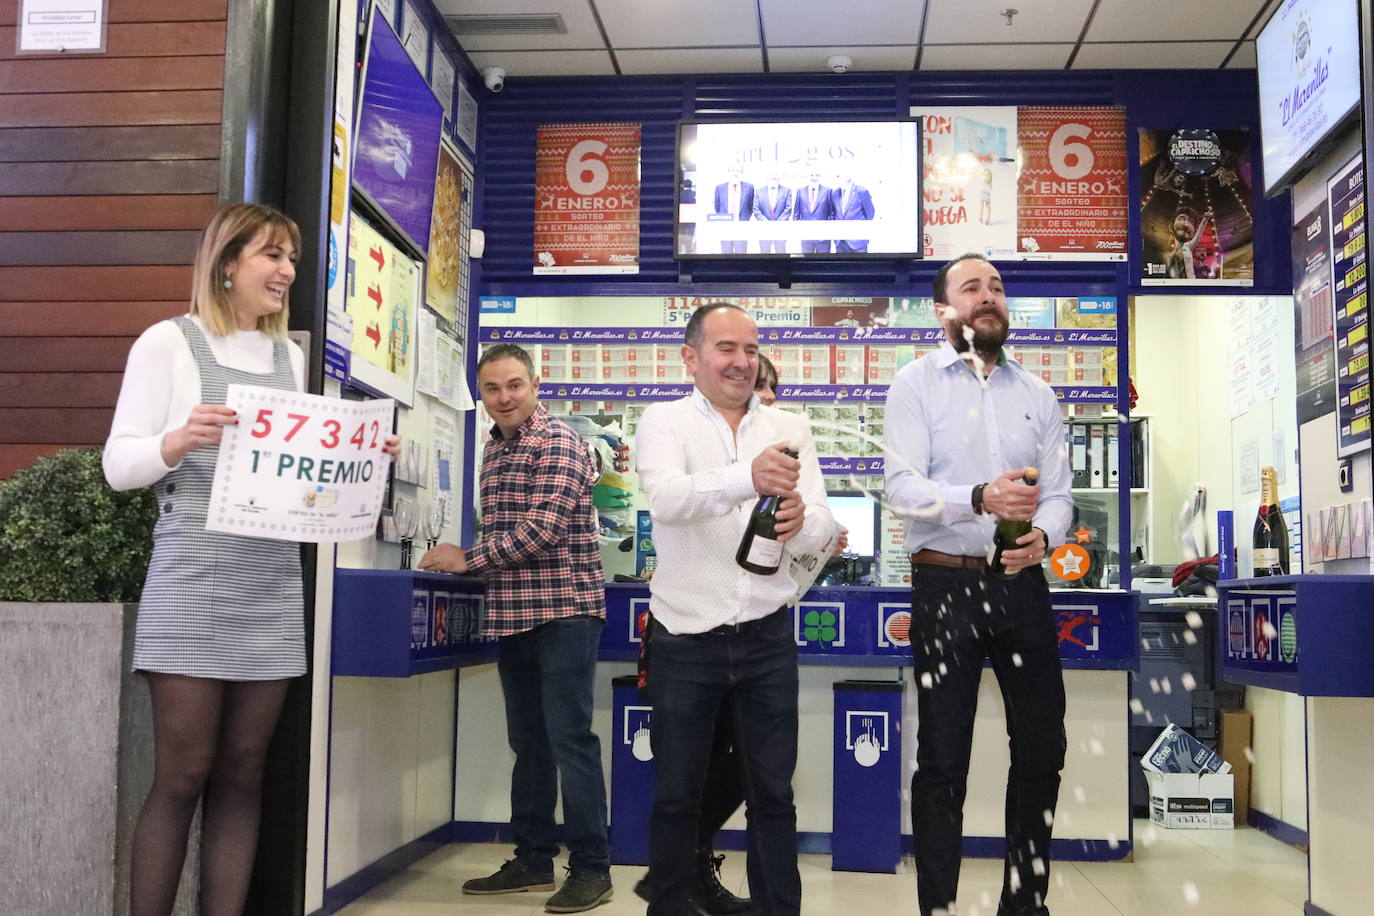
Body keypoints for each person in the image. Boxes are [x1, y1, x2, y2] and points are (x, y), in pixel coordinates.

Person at [103, 202, 400, 916]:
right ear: (227, 262)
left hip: (269, 581)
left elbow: (293, 480)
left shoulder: (286, 357)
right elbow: (119, 464)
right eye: (273, 255)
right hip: (191, 573)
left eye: (291, 258)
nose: (287, 271)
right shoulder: (167, 343)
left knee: (243, 772)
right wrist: (177, 441)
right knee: (182, 774)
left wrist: (354, 461)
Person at [635, 304, 839, 916]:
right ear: (691, 358)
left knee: (773, 796)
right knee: (677, 796)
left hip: (767, 640)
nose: (742, 361)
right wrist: (745, 478)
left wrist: (805, 526)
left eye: (751, 349)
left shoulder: (790, 426)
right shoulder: (663, 421)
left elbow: (822, 523)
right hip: (684, 637)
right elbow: (668, 500)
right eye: (727, 348)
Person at [882, 253, 1071, 916]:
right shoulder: (914, 385)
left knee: (1044, 747)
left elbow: (1060, 496)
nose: (987, 296)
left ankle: (1025, 901)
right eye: (971, 287)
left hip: (1023, 589)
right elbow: (902, 490)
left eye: (995, 286)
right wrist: (977, 498)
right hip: (946, 588)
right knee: (942, 760)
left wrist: (1046, 535)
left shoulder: (1038, 394)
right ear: (945, 311)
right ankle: (938, 906)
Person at [418, 342, 612, 914]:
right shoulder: (494, 449)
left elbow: (541, 531)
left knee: (570, 742)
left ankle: (592, 869)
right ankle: (532, 860)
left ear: (535, 385)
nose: (504, 398)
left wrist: (467, 559)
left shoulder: (558, 443)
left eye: (514, 386)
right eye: (493, 389)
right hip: (515, 615)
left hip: (564, 614)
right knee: (529, 746)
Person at [713, 165, 755, 254]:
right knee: (726, 254)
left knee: (741, 254)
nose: (735, 173)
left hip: (741, 226)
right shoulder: (719, 188)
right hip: (725, 227)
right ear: (728, 172)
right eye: (732, 170)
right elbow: (717, 207)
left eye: (738, 170)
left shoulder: (749, 187)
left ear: (742, 172)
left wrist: (744, 218)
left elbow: (750, 207)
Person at [791, 170, 834, 253]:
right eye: (811, 175)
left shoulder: (828, 191)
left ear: (820, 177)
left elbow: (832, 213)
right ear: (807, 176)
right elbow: (796, 214)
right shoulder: (800, 191)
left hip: (823, 237)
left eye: (816, 175)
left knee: (823, 263)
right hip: (806, 236)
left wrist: (828, 231)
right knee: (805, 263)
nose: (814, 177)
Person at [752, 172, 793, 253]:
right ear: (767, 179)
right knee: (764, 257)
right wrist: (767, 224)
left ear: (779, 179)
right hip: (764, 230)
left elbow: (788, 209)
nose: (773, 180)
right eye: (771, 178)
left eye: (776, 178)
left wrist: (777, 225)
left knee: (781, 257)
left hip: (780, 230)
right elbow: (756, 210)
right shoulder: (759, 191)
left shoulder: (787, 191)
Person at [832, 175, 875, 253]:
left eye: (839, 176)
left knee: (861, 265)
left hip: (857, 241)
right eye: (836, 176)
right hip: (840, 241)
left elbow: (870, 214)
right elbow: (834, 214)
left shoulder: (861, 191)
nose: (836, 179)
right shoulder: (835, 193)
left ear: (848, 177)